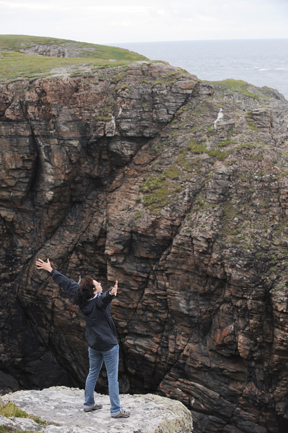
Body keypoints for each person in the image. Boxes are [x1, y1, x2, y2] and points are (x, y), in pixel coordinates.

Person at [35, 258, 130, 418]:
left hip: (93, 344)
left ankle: (88, 404)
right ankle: (115, 410)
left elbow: (65, 282)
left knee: (93, 372)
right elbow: (104, 299)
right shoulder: (98, 301)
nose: (100, 282)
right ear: (94, 290)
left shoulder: (81, 295)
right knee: (112, 378)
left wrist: (51, 270)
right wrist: (111, 293)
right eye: (97, 283)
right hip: (108, 345)